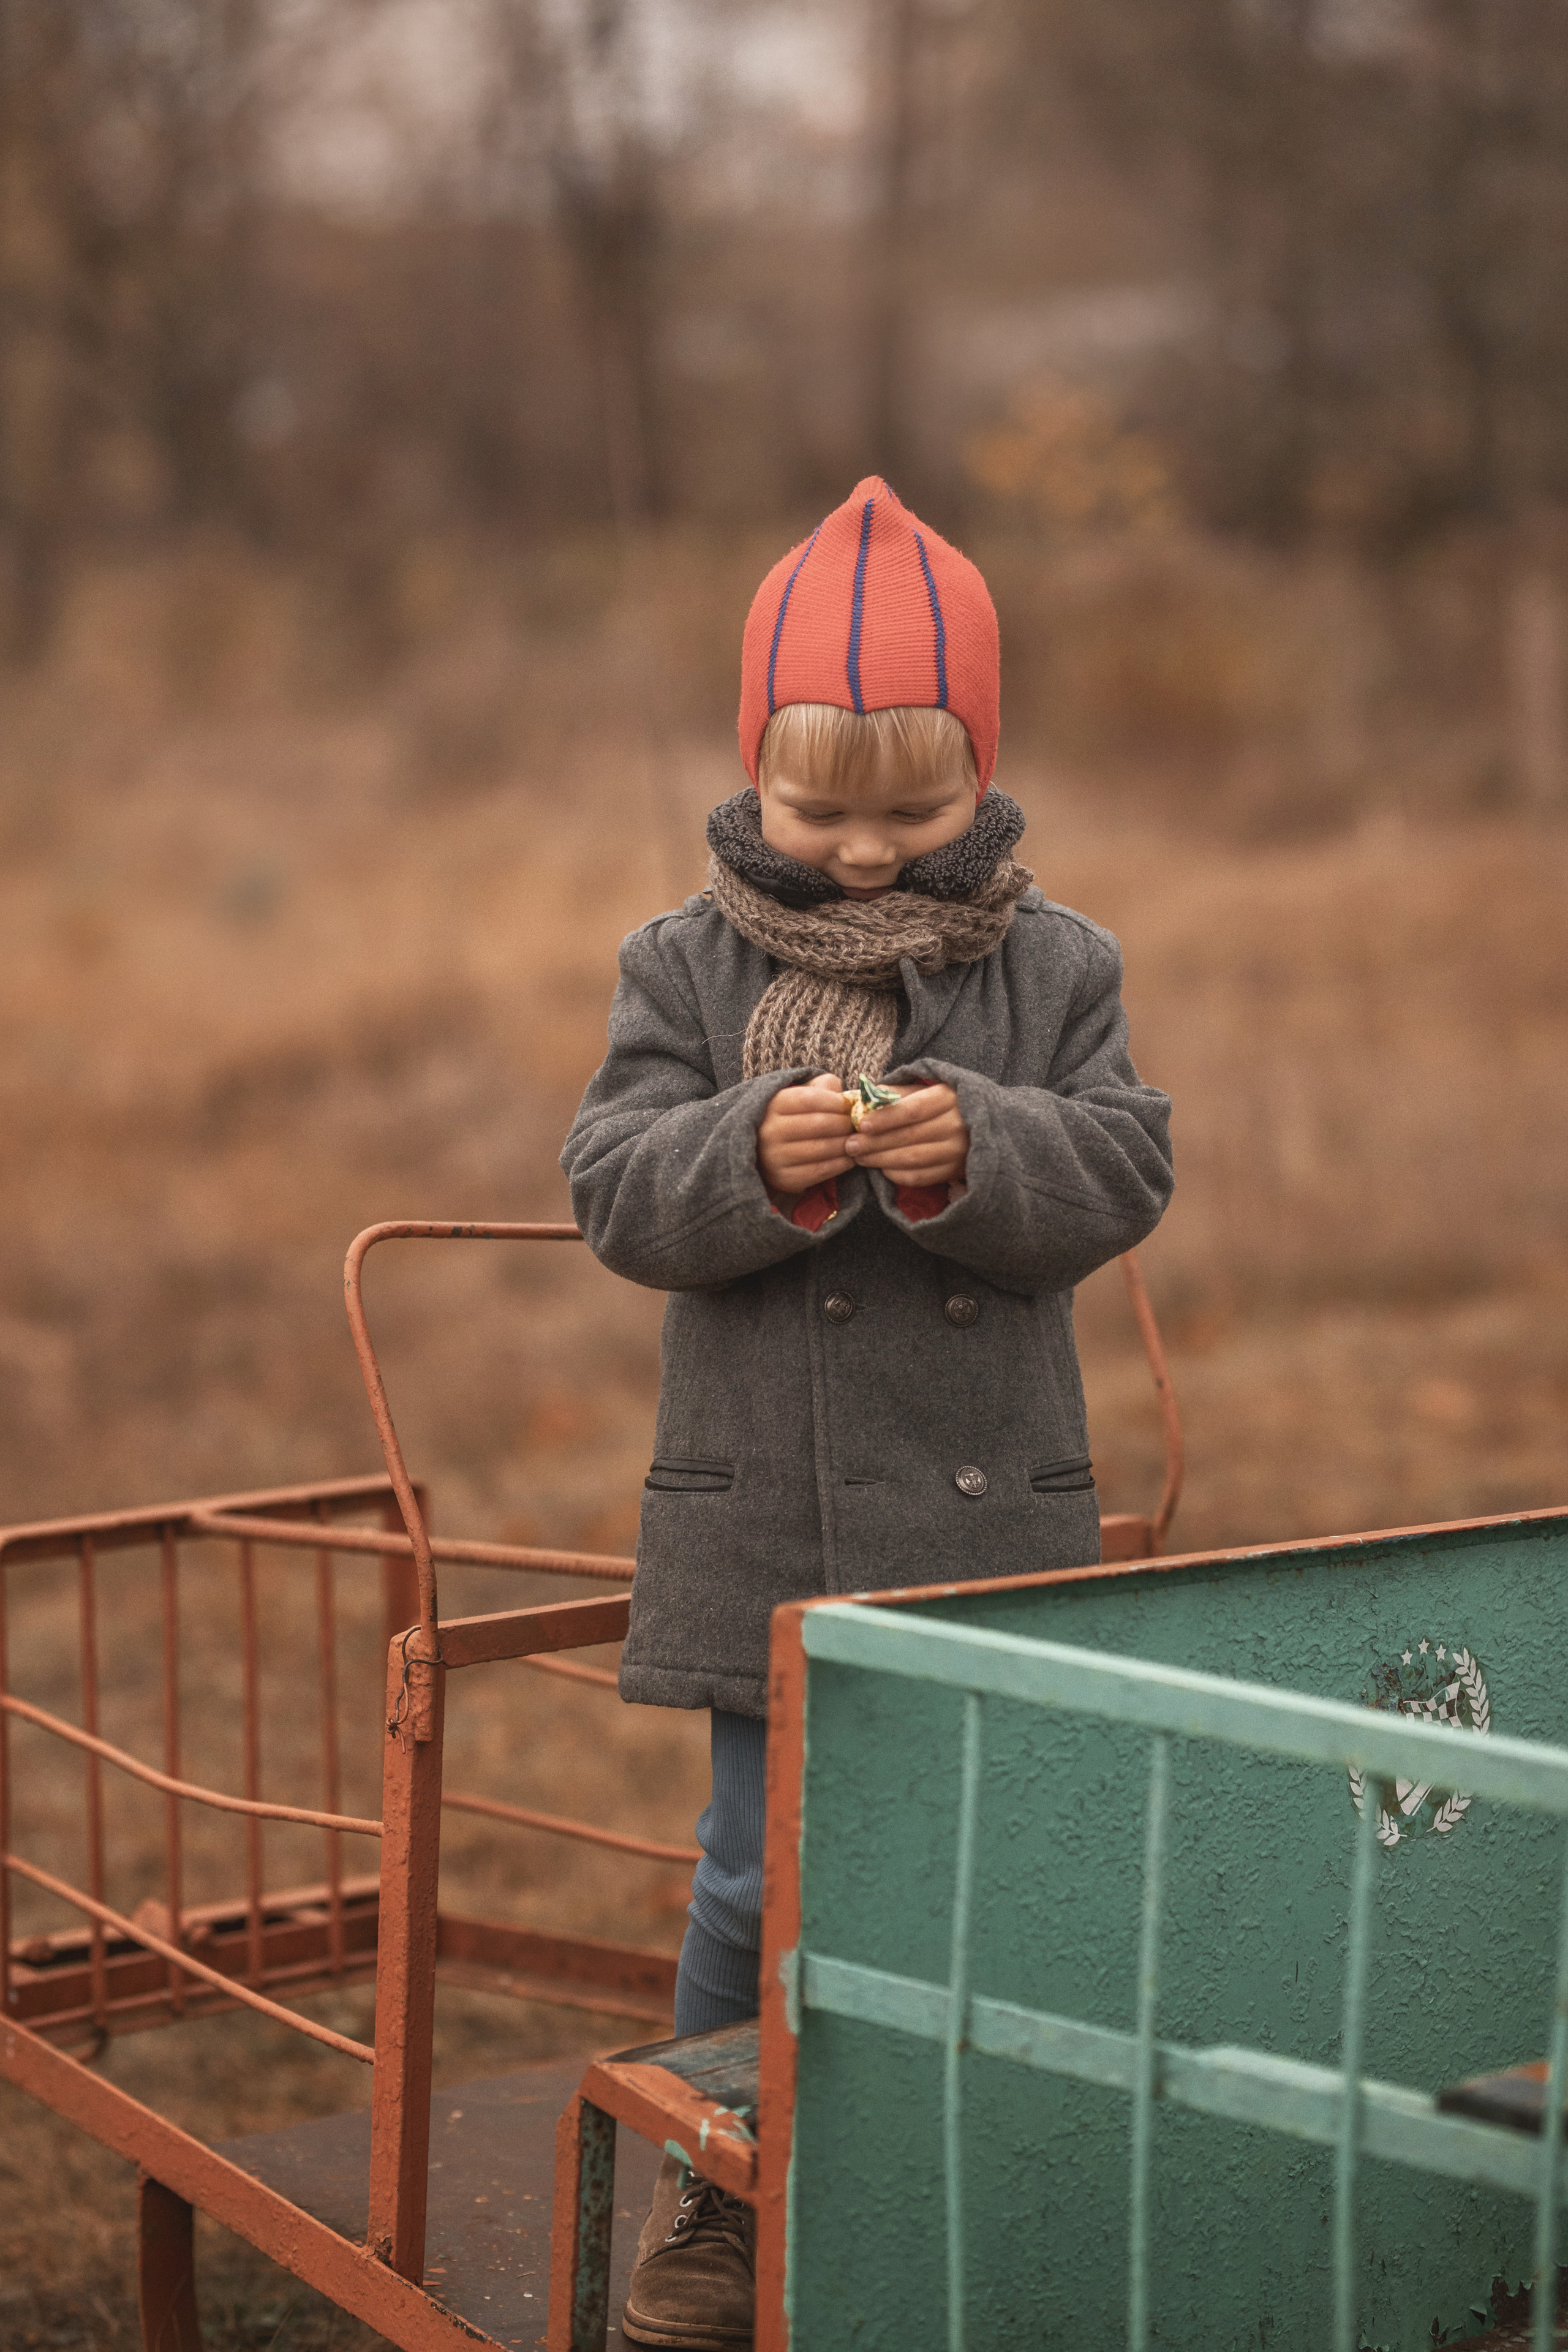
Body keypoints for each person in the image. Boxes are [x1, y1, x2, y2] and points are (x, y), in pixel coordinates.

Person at [560, 477, 1174, 2348]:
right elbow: (610, 1186)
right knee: (756, 1873)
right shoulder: (684, 961)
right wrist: (750, 1147)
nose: (860, 851)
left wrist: (978, 1141)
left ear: (980, 775)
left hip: (988, 1528)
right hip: (771, 1524)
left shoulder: (1055, 966)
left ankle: (972, 2157)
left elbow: (1131, 1169)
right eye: (820, 808)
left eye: (911, 811)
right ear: (756, 770)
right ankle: (722, 2198)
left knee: (994, 1865)